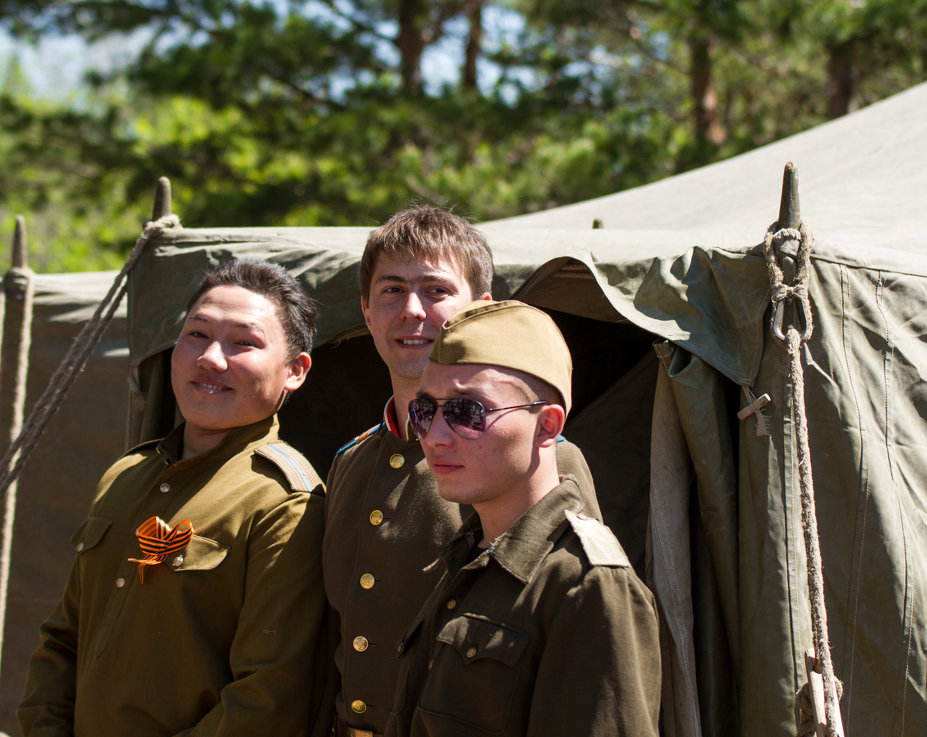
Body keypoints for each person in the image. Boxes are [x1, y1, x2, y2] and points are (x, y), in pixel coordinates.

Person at [321, 204, 601, 737]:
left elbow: (572, 638)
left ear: (483, 311)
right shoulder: (350, 463)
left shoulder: (541, 460)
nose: (411, 310)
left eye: (436, 290)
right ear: (365, 310)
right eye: (391, 291)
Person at [18, 259, 326, 737]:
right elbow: (62, 641)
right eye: (197, 335)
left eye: (244, 342)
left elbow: (266, 697)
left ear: (295, 371)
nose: (210, 358)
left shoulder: (284, 502)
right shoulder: (126, 475)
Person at [385, 299, 662, 737]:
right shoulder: (471, 555)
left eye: (466, 412)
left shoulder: (585, 586)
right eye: (424, 411)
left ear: (548, 426)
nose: (435, 436)